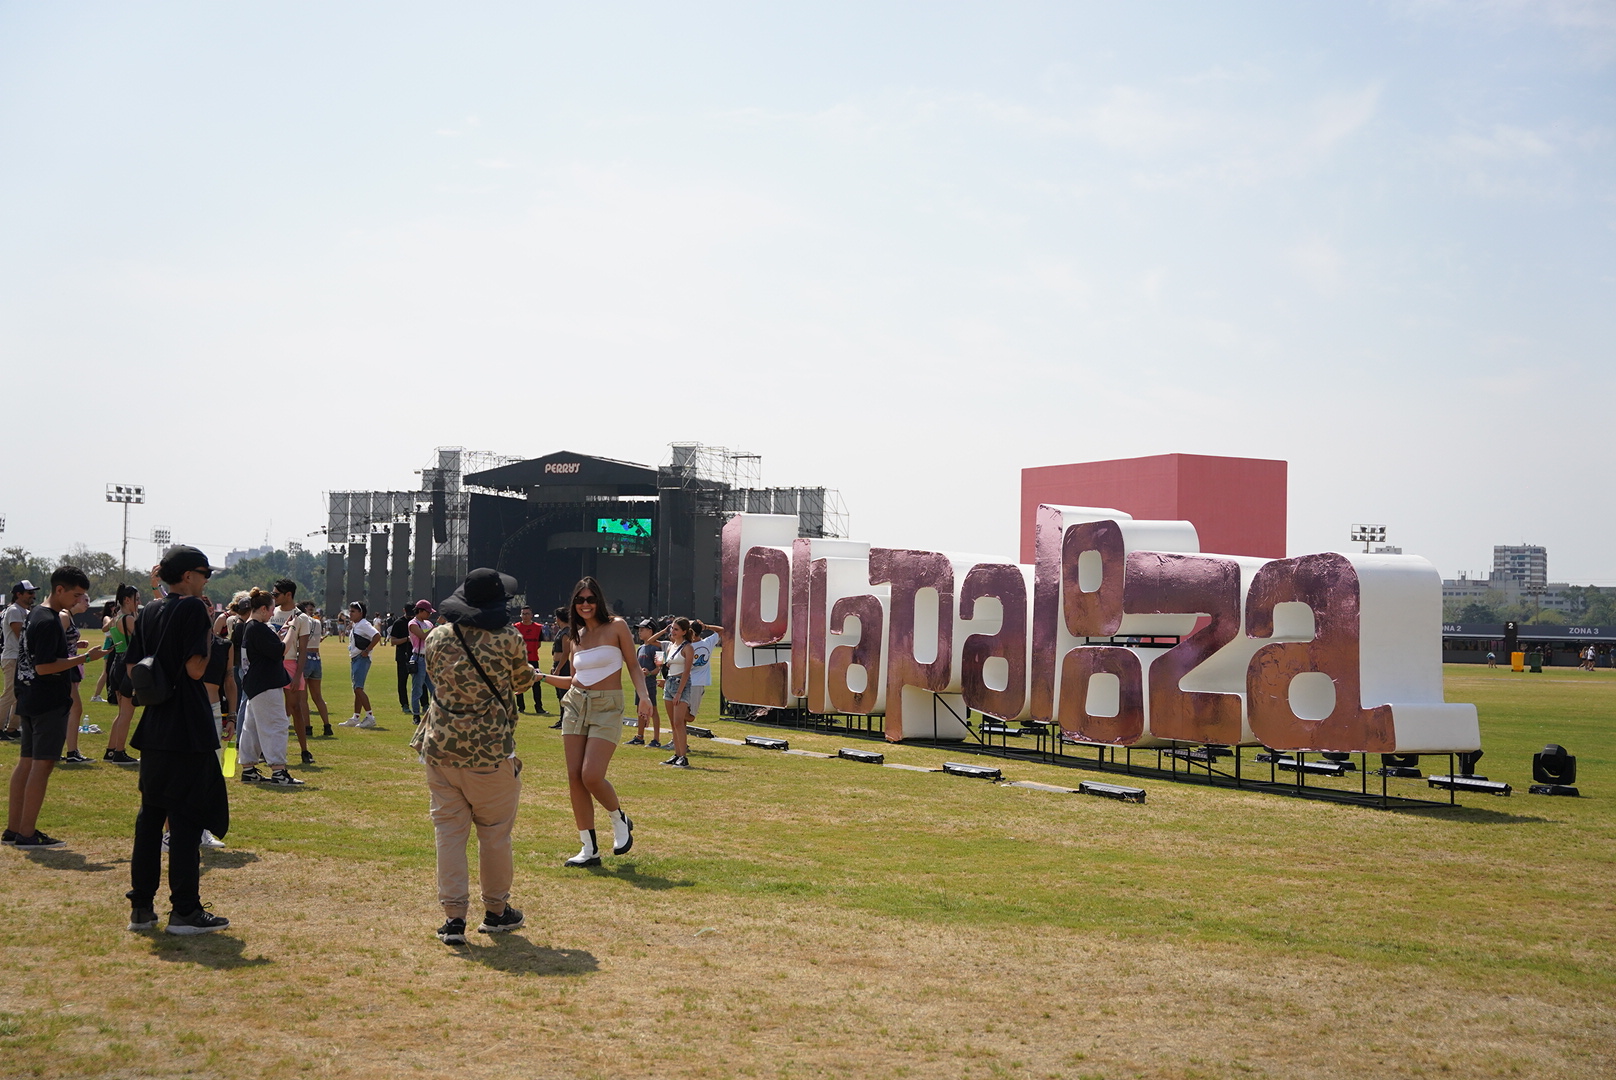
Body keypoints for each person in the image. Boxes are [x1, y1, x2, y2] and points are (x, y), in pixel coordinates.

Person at [411, 568, 534, 944]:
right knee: (494, 835)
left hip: (441, 748)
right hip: (489, 750)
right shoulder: (508, 638)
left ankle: (453, 918)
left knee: (449, 835)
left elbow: (434, 677)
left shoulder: (437, 637)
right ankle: (496, 910)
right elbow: (522, 682)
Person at [122, 545, 230, 934]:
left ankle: (141, 907)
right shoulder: (193, 608)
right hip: (187, 723)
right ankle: (184, 910)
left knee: (150, 817)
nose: (206, 580)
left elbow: (133, 667)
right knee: (185, 818)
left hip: (154, 724)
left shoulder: (149, 611)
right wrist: (214, 639)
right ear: (188, 576)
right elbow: (196, 670)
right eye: (205, 573)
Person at [535, 576, 651, 867]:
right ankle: (588, 849)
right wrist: (541, 677)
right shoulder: (576, 636)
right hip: (575, 705)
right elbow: (575, 679)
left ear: (598, 600)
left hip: (607, 706)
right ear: (574, 604)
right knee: (574, 777)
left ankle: (619, 818)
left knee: (591, 775)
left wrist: (644, 697)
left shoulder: (618, 626)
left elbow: (634, 665)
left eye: (590, 599)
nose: (585, 605)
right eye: (580, 600)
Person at [3, 567, 104, 847]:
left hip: (29, 698)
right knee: (42, 764)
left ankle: (14, 829)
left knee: (26, 763)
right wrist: (84, 658)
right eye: (76, 594)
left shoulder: (34, 615)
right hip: (47, 700)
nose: (78, 600)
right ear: (59, 590)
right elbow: (45, 666)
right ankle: (26, 833)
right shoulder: (48, 620)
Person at [237, 589, 305, 787]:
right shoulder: (257, 627)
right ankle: (279, 771)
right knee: (276, 725)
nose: (273, 613)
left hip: (256, 683)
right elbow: (280, 651)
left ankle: (249, 769)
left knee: (252, 727)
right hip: (266, 683)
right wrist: (293, 629)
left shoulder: (251, 627)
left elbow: (269, 647)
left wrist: (281, 631)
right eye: (272, 609)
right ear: (264, 609)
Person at [268, 579, 314, 760]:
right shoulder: (272, 613)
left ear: (288, 595)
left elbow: (303, 650)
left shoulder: (301, 617)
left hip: (290, 665)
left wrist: (297, 676)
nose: (274, 597)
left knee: (295, 708)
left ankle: (304, 750)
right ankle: (270, 750)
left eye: (276, 594)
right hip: (273, 665)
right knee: (274, 710)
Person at [103, 585, 141, 764]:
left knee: (121, 713)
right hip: (128, 666)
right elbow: (142, 640)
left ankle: (111, 750)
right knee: (127, 714)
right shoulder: (128, 619)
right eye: (137, 599)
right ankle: (119, 752)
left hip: (116, 664)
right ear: (127, 600)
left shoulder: (114, 618)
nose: (138, 603)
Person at [0, 580, 39, 741]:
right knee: (9, 694)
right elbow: (21, 635)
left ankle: (12, 728)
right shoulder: (14, 610)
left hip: (21, 658)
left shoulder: (26, 611)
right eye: (30, 593)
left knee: (20, 695)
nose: (33, 596)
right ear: (19, 594)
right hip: (13, 657)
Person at [626, 619, 663, 747]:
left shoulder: (657, 647)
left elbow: (659, 667)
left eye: (642, 629)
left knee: (654, 711)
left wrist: (649, 673)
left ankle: (656, 739)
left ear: (650, 631)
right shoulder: (640, 648)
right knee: (640, 710)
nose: (639, 632)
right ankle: (640, 736)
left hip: (650, 683)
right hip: (640, 684)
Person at [299, 600, 333, 738]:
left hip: (304, 657)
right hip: (316, 657)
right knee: (318, 696)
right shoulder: (317, 622)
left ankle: (307, 727)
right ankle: (327, 726)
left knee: (303, 698)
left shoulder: (301, 621)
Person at [341, 601, 378, 726]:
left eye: (353, 611)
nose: (350, 613)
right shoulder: (357, 624)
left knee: (358, 689)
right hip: (356, 658)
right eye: (350, 611)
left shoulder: (363, 624)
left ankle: (370, 717)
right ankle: (356, 717)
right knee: (357, 689)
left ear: (360, 613)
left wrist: (367, 650)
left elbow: (376, 636)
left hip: (361, 659)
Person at [512, 606, 549, 715]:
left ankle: (539, 707)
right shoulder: (516, 627)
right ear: (520, 615)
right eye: (523, 614)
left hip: (533, 659)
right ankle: (520, 707)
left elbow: (538, 644)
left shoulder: (538, 628)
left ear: (531, 615)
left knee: (536, 683)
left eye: (527, 613)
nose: (525, 616)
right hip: (519, 660)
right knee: (519, 683)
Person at [409, 600, 435, 724]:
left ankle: (433, 714)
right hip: (418, 658)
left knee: (434, 689)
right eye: (428, 612)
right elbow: (423, 636)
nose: (429, 614)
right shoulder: (413, 624)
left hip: (429, 658)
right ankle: (416, 715)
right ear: (420, 611)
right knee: (417, 689)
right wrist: (436, 627)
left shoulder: (428, 623)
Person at [388, 607, 413, 716]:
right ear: (404, 610)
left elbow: (426, 633)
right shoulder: (398, 623)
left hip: (415, 655)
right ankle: (404, 704)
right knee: (402, 681)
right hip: (402, 655)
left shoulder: (417, 623)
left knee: (420, 682)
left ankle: (425, 704)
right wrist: (407, 639)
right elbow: (393, 641)